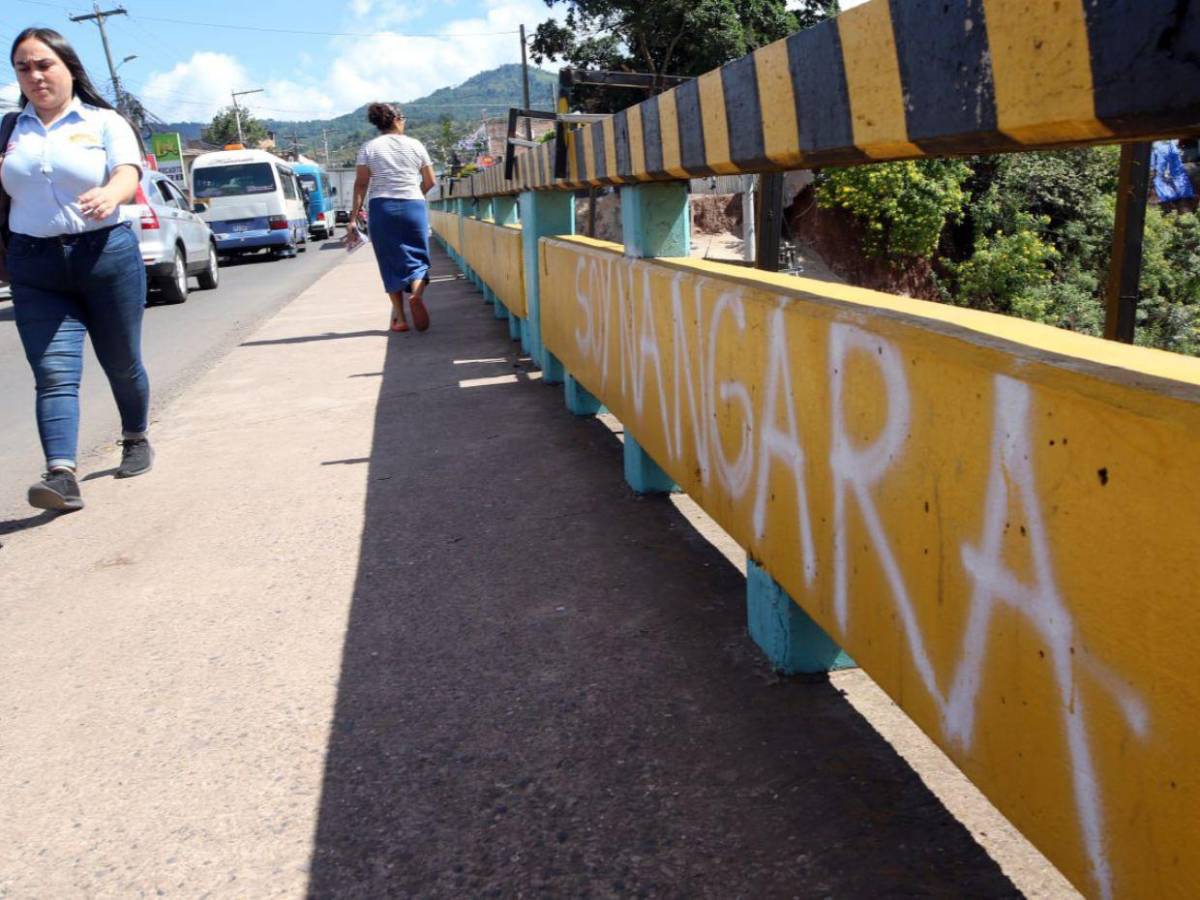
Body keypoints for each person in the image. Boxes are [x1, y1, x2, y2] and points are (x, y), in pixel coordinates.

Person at [0, 28, 152, 512]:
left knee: (122, 363)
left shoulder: (104, 121)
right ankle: (61, 474)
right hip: (35, 265)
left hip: (105, 255)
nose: (35, 75)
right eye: (23, 67)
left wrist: (112, 192)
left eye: (44, 64)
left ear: (67, 67)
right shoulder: (9, 130)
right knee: (53, 373)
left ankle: (135, 436)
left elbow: (129, 171)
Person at [348, 103, 436, 333]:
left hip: (381, 207)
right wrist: (416, 195)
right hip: (413, 206)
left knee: (389, 261)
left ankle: (400, 318)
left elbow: (361, 184)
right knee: (418, 257)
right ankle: (416, 294)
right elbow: (430, 181)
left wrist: (353, 217)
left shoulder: (369, 148)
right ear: (396, 119)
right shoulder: (416, 145)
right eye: (403, 118)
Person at [1149, 139, 1197, 213]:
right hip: (1168, 154)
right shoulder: (1186, 192)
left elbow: (1158, 178)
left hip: (1159, 157)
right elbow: (1178, 173)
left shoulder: (1167, 196)